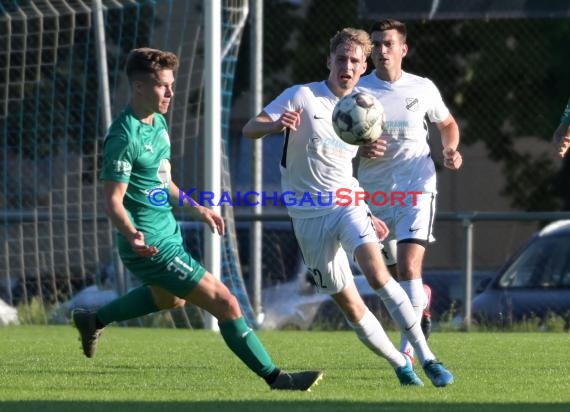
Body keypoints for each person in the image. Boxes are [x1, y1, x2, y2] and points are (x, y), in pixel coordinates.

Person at [71, 47, 322, 391]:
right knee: (226, 302)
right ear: (139, 87)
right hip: (149, 244)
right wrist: (132, 234)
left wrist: (199, 208)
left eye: (172, 85)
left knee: (170, 299)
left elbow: (164, 182)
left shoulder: (157, 124)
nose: (171, 93)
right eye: (163, 86)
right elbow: (113, 201)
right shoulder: (123, 135)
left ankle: (93, 319)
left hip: (168, 233)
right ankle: (277, 378)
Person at [242, 28, 453, 387]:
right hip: (307, 215)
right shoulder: (302, 96)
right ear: (329, 61)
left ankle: (427, 358)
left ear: (362, 66)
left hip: (347, 204)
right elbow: (250, 128)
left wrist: (369, 165)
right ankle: (400, 367)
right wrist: (277, 124)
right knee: (352, 306)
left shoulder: (367, 105)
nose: (348, 66)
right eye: (342, 59)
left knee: (378, 274)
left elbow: (361, 151)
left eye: (356, 61)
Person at [356, 19, 463, 365]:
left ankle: (409, 351)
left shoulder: (422, 88)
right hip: (374, 194)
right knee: (385, 276)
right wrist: (359, 149)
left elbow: (447, 124)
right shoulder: (358, 90)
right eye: (376, 45)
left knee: (408, 265)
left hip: (417, 187)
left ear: (403, 49)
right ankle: (422, 299)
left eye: (388, 44)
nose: (381, 51)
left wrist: (450, 150)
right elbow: (336, 139)